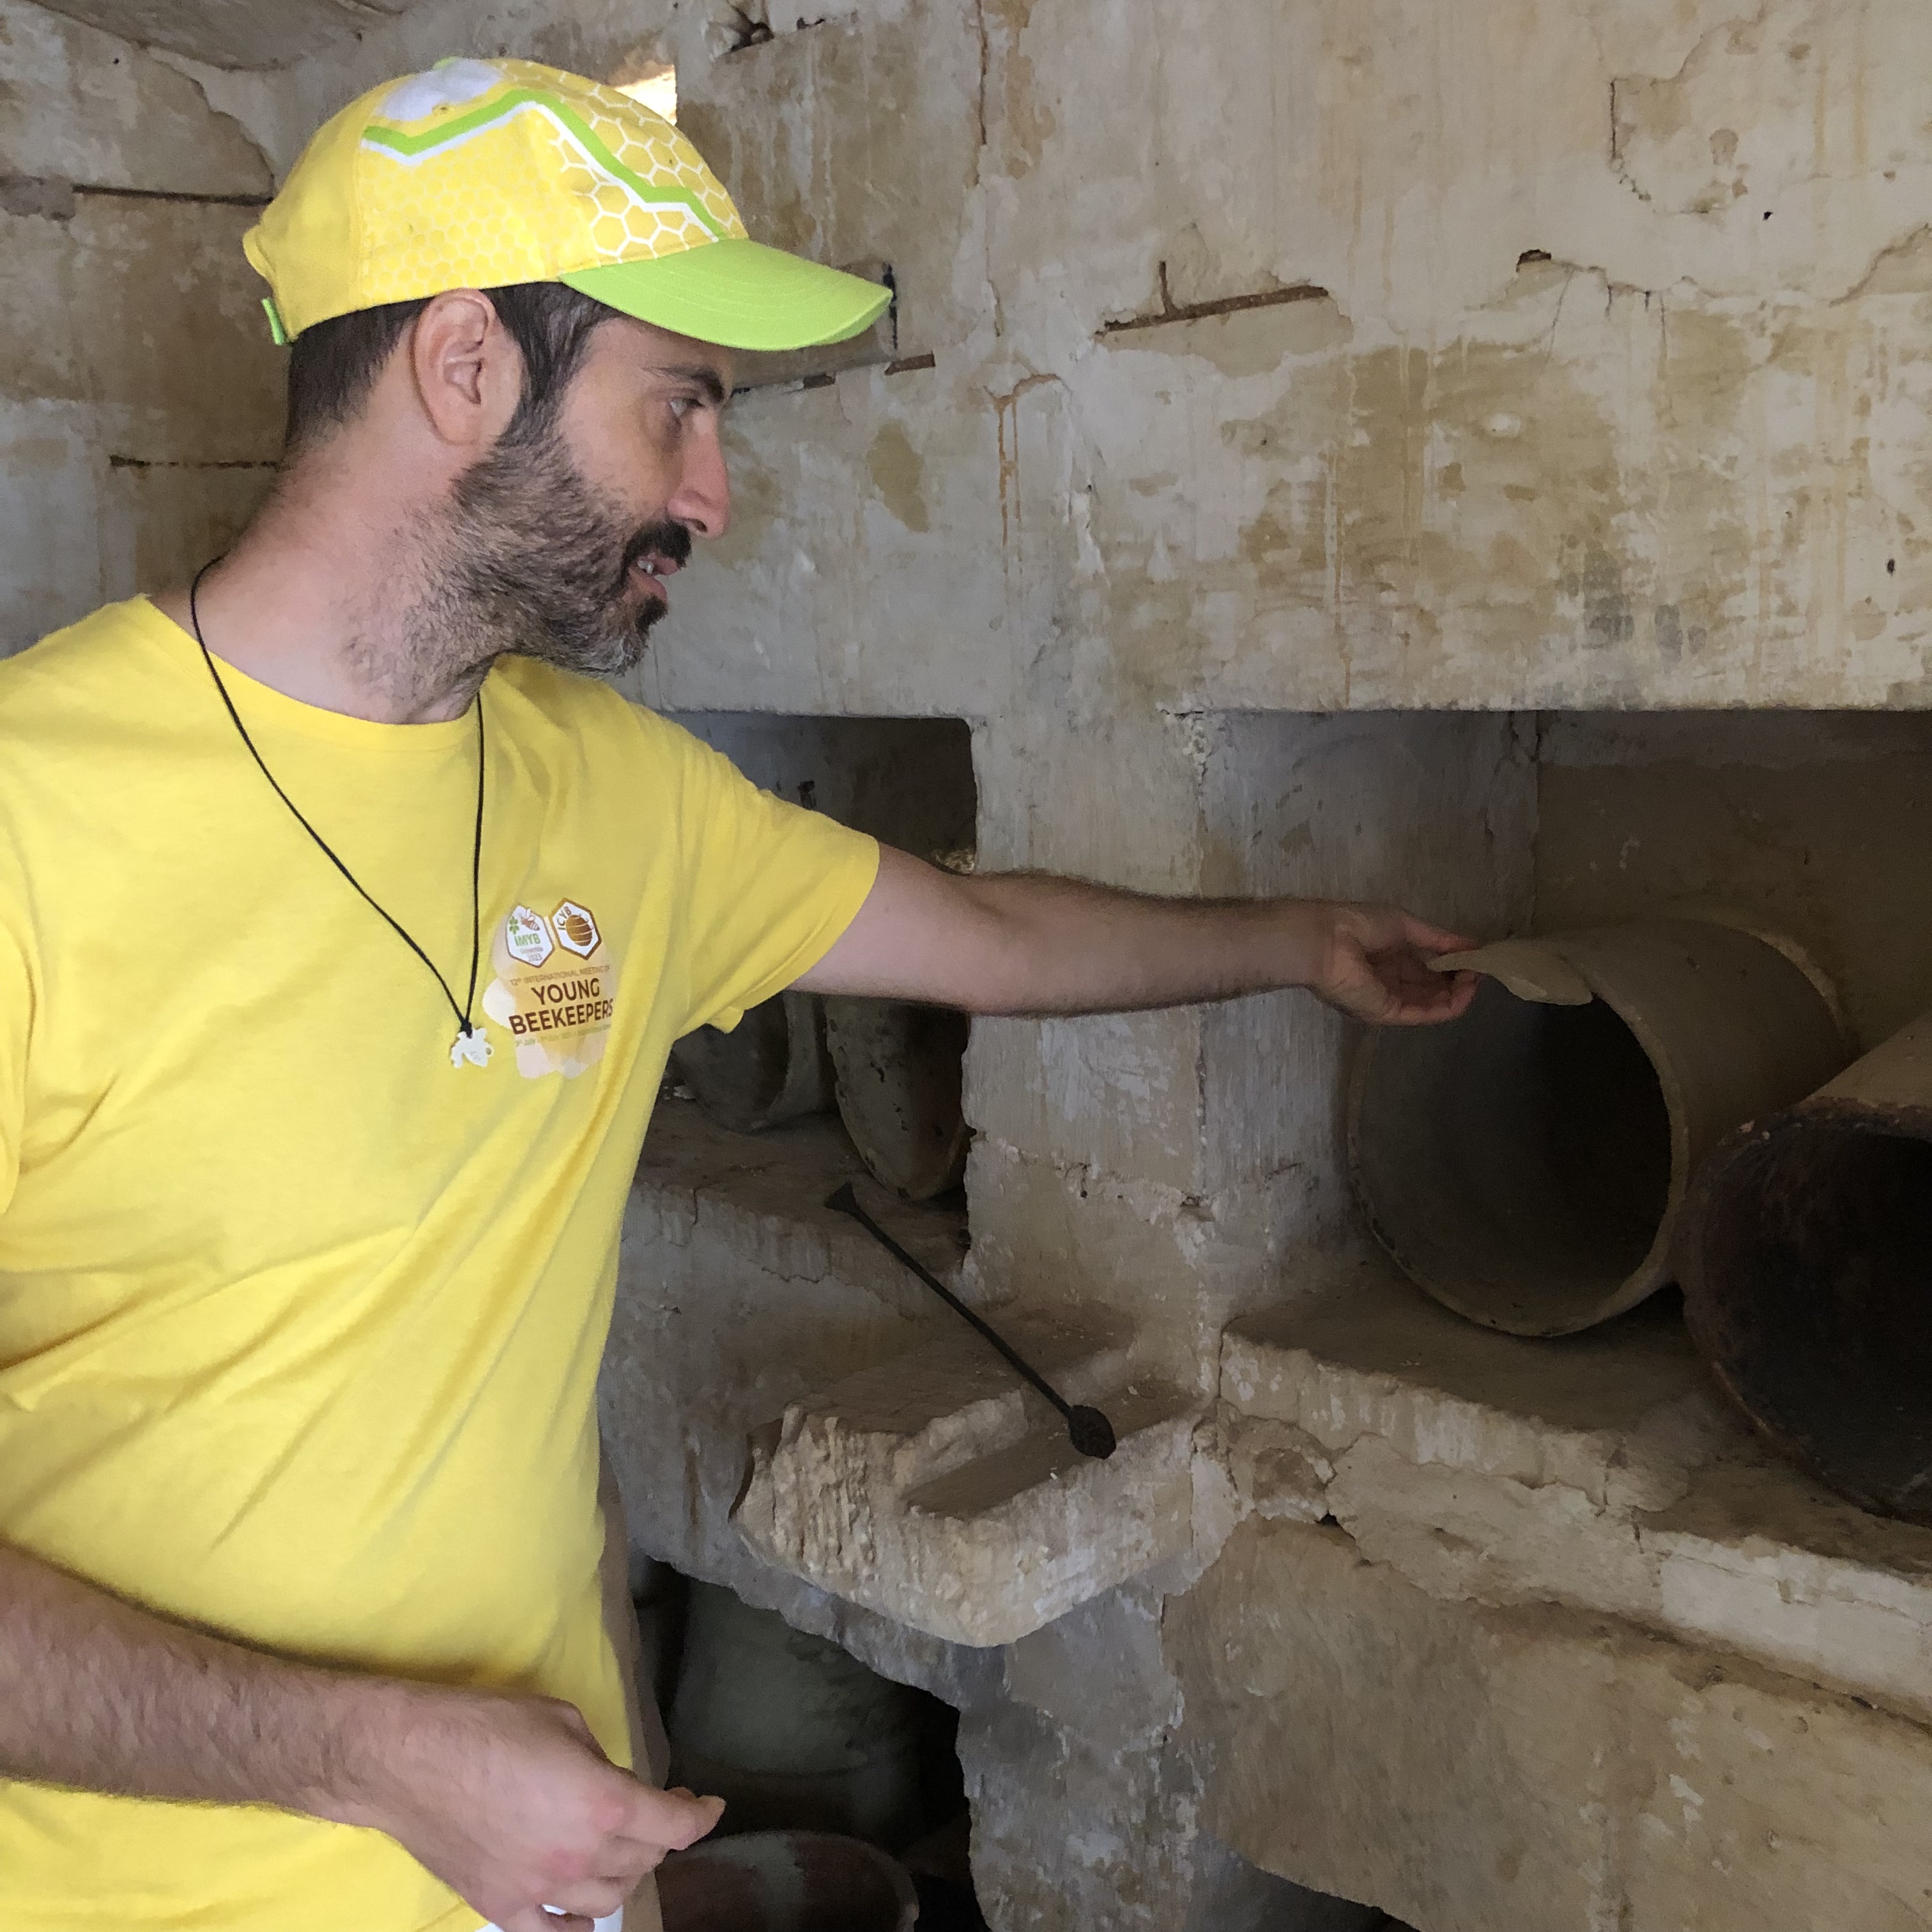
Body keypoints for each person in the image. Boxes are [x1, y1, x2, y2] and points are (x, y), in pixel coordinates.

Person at [0, 56, 1476, 1932]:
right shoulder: (33, 822)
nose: (713, 494)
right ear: (466, 369)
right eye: (679, 405)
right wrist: (366, 1758)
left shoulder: (611, 796)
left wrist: (1291, 940)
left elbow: (989, 935)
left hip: (540, 1872)